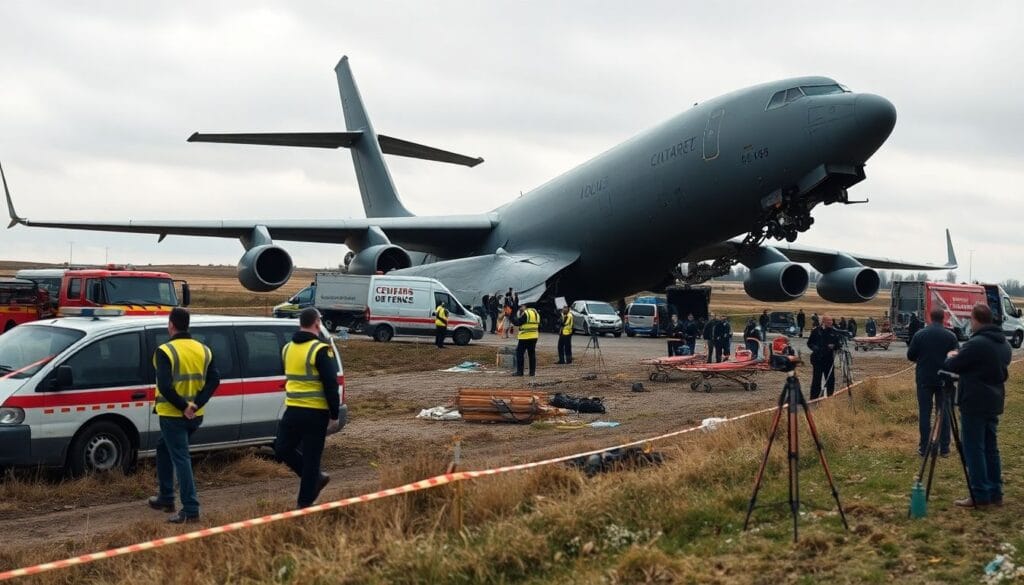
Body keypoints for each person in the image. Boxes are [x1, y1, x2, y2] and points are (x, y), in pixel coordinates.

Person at [147, 308, 221, 524]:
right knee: (163, 449)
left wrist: (183, 406)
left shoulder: (165, 351)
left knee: (181, 459)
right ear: (187, 325)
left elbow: (165, 386)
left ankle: (190, 509)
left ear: (171, 325)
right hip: (195, 415)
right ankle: (166, 497)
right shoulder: (204, 350)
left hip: (173, 414)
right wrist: (196, 404)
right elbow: (214, 380)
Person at [943, 303, 1012, 508]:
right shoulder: (1004, 344)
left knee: (974, 449)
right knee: (991, 449)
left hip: (974, 401)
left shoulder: (977, 343)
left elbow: (953, 365)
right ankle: (995, 492)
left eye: (971, 320)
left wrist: (951, 356)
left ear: (976, 319)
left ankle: (979, 494)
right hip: (994, 400)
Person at [275, 308, 342, 509]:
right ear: (317, 323)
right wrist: (334, 414)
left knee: (284, 449)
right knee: (303, 457)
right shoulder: (320, 349)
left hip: (296, 412)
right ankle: (313, 480)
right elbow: (331, 384)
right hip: (311, 413)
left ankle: (304, 504)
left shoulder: (287, 348)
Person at [907, 308, 959, 457]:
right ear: (943, 318)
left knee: (925, 413)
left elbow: (910, 355)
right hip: (944, 379)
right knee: (944, 413)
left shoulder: (920, 335)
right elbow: (956, 357)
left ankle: (924, 447)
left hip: (924, 379)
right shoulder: (951, 336)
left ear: (930, 317)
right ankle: (944, 448)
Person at [807, 315, 841, 399]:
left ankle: (830, 397)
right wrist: (816, 348)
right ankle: (814, 398)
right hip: (817, 359)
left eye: (831, 321)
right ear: (823, 321)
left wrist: (834, 346)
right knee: (816, 379)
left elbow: (838, 345)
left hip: (829, 359)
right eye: (828, 321)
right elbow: (809, 343)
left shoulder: (834, 332)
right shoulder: (816, 331)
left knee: (830, 379)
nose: (830, 322)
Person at [512, 304, 540, 376]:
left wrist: (511, 317)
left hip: (525, 336)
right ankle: (532, 372)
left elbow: (517, 323)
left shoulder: (526, 313)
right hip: (534, 336)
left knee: (520, 353)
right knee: (532, 354)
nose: (521, 308)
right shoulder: (536, 314)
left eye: (522, 306)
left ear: (525, 306)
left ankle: (520, 372)